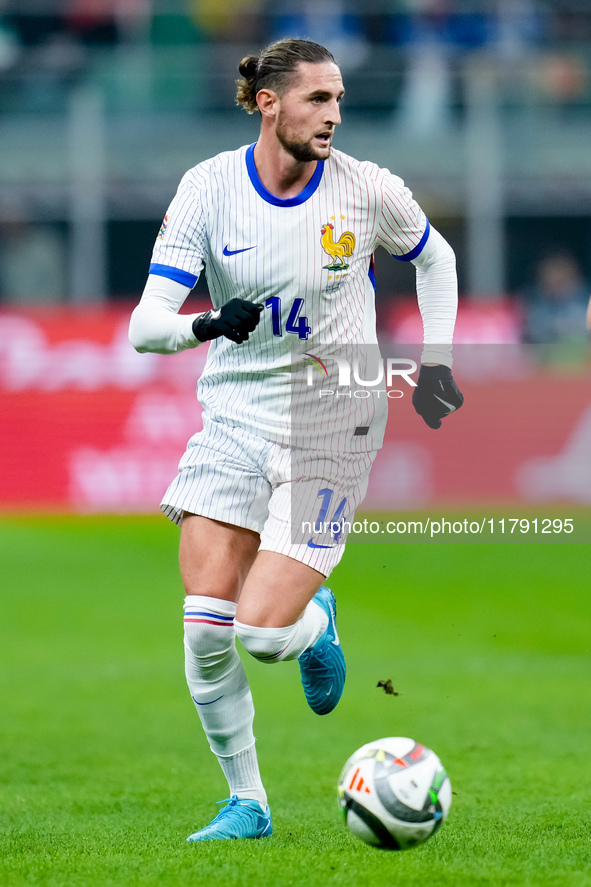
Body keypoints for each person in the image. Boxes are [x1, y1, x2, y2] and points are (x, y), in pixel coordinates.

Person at [128, 37, 463, 843]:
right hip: (235, 415)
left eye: (340, 99)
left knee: (262, 633)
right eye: (318, 99)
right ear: (267, 102)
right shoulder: (207, 189)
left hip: (333, 418)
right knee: (206, 627)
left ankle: (313, 621)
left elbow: (436, 257)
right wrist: (203, 324)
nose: (334, 115)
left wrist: (440, 362)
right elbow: (145, 325)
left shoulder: (365, 189)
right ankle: (248, 803)